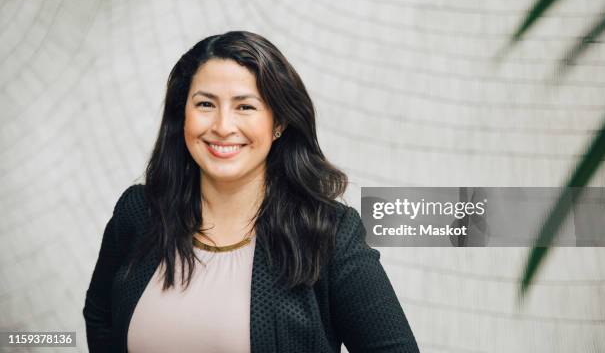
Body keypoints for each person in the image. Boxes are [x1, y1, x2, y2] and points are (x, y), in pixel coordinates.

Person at [83, 30, 420, 353]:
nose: (223, 126)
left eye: (245, 107)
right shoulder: (139, 212)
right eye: (205, 104)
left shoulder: (329, 234)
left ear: (278, 124)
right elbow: (100, 316)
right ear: (181, 115)